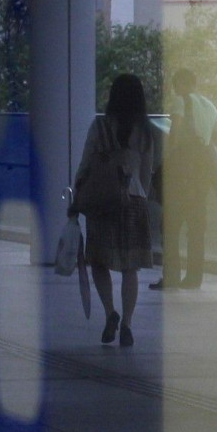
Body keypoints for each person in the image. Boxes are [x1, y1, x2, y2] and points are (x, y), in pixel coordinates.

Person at [70, 74, 156, 346]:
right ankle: (128, 324)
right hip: (133, 202)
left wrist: (77, 198)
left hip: (104, 203)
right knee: (130, 267)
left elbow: (85, 166)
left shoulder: (100, 126)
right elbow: (146, 175)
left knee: (98, 261)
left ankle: (110, 313)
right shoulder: (146, 132)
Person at [150, 68, 217, 290]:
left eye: (174, 85)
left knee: (170, 225)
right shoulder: (210, 106)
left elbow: (176, 132)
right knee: (196, 227)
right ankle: (193, 278)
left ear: (180, 84)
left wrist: (170, 160)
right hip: (202, 173)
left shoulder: (180, 101)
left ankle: (171, 276)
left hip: (182, 174)